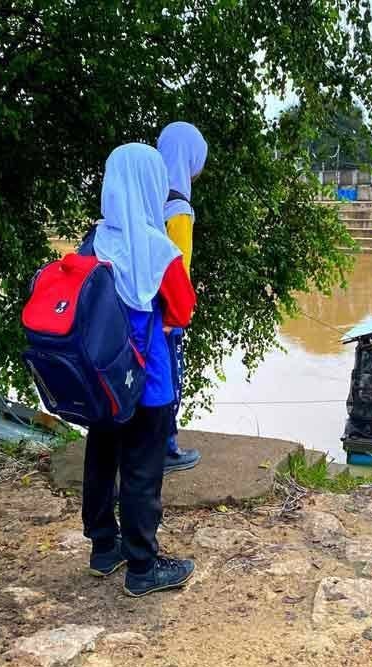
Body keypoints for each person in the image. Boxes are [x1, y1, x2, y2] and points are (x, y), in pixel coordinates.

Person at [84, 143, 197, 598]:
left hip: (101, 382)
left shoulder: (93, 243)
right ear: (151, 185)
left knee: (101, 458)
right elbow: (182, 310)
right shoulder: (159, 248)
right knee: (141, 472)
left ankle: (103, 548)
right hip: (147, 385)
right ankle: (143, 567)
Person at [157, 122, 208, 474]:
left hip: (136, 310)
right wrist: (180, 315)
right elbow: (178, 268)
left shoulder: (145, 195)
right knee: (169, 378)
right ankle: (166, 448)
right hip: (165, 316)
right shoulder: (179, 209)